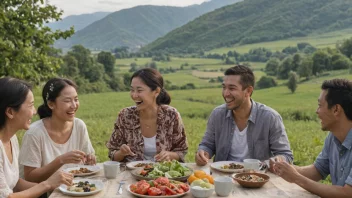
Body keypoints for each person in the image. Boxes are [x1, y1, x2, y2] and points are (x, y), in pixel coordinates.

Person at [195, 65, 293, 171]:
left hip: (256, 178)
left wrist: (278, 159)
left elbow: (286, 155)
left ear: (248, 91)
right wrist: (203, 152)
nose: (226, 93)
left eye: (232, 88)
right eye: (224, 87)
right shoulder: (217, 114)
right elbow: (207, 145)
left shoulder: (270, 118)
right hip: (222, 177)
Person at [274, 79, 352, 197]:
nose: (317, 111)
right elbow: (317, 170)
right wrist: (284, 168)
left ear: (336, 109)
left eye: (320, 106)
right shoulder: (332, 137)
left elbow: (347, 193)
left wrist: (296, 178)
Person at [0, 77, 73, 198]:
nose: (34, 112)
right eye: (30, 105)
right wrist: (47, 184)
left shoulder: (11, 139)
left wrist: (58, 186)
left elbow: (15, 183)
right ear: (10, 112)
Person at [19, 78, 96, 183]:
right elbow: (30, 177)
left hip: (73, 188)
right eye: (67, 101)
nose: (74, 105)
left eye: (76, 99)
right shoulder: (34, 133)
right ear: (51, 104)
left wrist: (90, 160)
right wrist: (60, 160)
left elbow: (87, 162)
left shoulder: (79, 126)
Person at [106, 68, 188, 162]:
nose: (134, 95)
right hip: (130, 174)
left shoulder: (171, 115)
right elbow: (112, 153)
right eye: (132, 90)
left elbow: (181, 151)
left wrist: (170, 155)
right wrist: (121, 152)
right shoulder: (125, 116)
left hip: (162, 174)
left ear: (156, 91)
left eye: (139, 90)